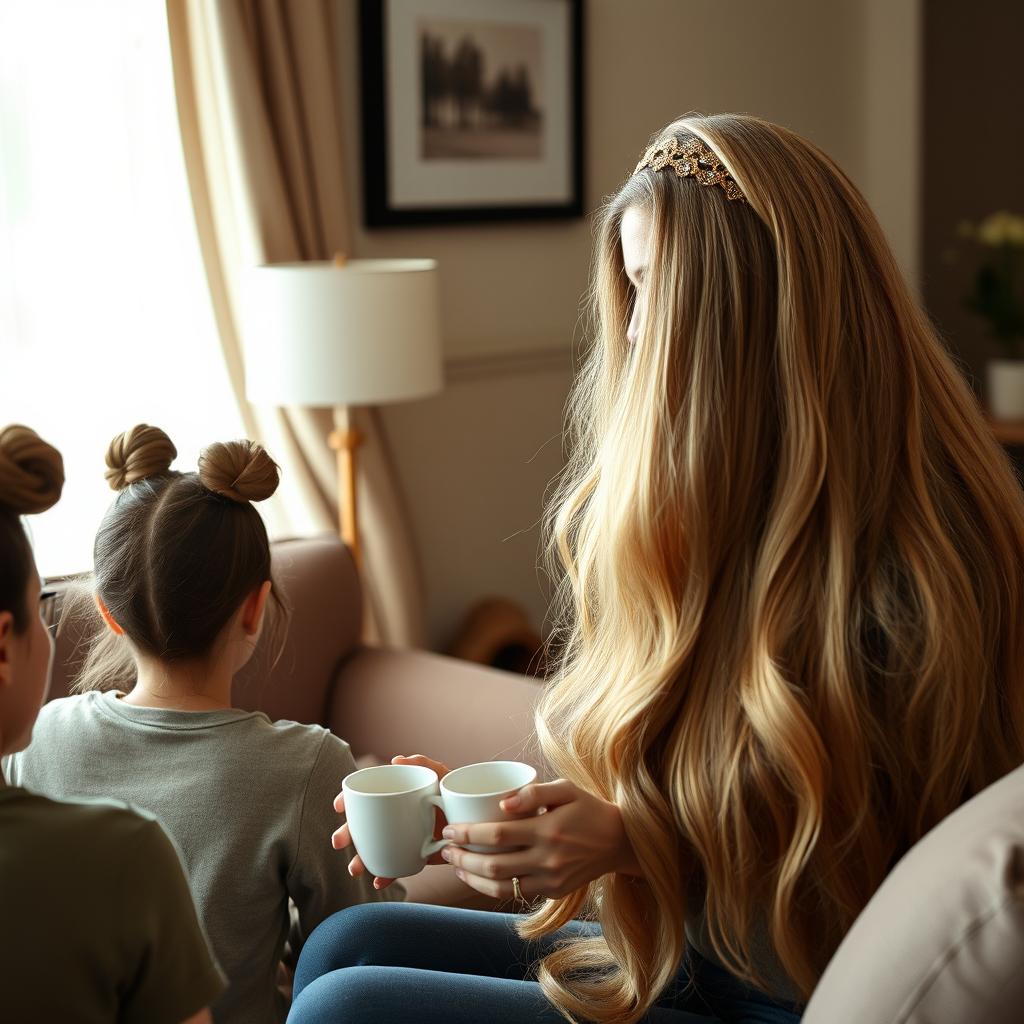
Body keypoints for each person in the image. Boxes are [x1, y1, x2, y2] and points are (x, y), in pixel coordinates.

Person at [288, 114, 1024, 1024]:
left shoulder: (915, 570)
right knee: (342, 945)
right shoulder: (724, 509)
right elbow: (710, 795)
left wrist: (634, 842)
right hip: (697, 955)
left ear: (752, 310)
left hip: (790, 991)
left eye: (651, 286)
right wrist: (523, 831)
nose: (629, 331)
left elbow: (865, 885)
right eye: (625, 287)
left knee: (348, 1006)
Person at [5, 424, 401, 1024]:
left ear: (108, 614)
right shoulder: (309, 765)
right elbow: (362, 950)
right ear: (254, 608)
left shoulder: (35, 739)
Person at [0, 423, 224, 1023]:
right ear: (3, 644)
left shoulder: (43, 742)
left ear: (109, 613)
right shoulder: (129, 854)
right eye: (38, 609)